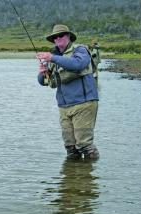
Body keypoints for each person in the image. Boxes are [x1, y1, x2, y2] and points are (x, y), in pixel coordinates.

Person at [36, 24, 99, 159]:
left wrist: (52, 58)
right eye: (55, 37)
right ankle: (73, 178)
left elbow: (77, 64)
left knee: (84, 145)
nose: (58, 39)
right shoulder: (54, 57)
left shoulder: (80, 50)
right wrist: (42, 73)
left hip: (84, 103)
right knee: (70, 148)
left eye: (61, 35)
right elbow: (45, 82)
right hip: (64, 107)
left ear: (69, 36)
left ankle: (90, 177)